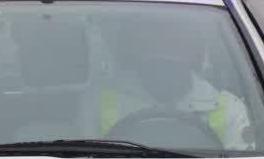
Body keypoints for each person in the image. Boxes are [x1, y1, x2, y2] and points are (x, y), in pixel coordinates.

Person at [91, 16, 252, 151]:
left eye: (172, 53)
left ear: (193, 59)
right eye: (155, 59)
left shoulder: (229, 108)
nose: (164, 71)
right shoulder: (99, 102)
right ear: (136, 58)